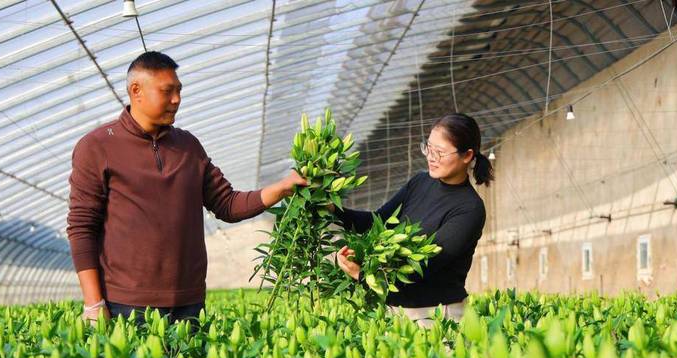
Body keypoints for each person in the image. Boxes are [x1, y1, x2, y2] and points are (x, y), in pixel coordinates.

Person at [66, 51, 306, 325]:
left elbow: (227, 204)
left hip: (188, 304)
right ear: (136, 91)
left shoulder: (188, 146)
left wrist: (282, 188)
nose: (176, 99)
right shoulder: (97, 146)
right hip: (126, 304)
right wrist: (94, 303)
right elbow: (82, 227)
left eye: (179, 90)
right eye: (167, 91)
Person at [333, 113, 492, 326]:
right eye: (428, 148)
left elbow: (424, 265)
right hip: (395, 311)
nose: (431, 157)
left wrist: (363, 275)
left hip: (436, 316)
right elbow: (377, 221)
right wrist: (332, 209)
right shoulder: (420, 182)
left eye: (440, 152)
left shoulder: (469, 209)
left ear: (467, 155)